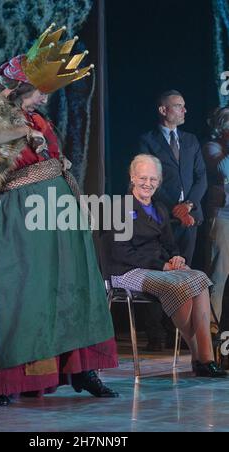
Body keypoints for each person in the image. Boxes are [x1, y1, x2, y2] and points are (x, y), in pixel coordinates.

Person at [0, 24, 118, 406]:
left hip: (57, 210)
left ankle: (82, 369)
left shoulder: (30, 116)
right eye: (38, 92)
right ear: (15, 91)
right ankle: (12, 380)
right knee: (25, 293)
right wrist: (21, 135)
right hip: (22, 213)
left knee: (73, 286)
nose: (44, 100)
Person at [108, 154, 226, 377]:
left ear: (159, 181)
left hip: (159, 268)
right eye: (143, 178)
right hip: (127, 270)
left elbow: (170, 245)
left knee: (199, 278)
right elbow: (121, 252)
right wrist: (162, 266)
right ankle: (199, 356)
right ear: (132, 178)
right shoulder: (119, 207)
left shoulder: (160, 208)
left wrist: (176, 258)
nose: (148, 183)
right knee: (177, 286)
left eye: (153, 179)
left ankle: (206, 357)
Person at [137, 90, 207, 350]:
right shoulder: (147, 140)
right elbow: (146, 178)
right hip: (161, 216)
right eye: (178, 106)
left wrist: (188, 205)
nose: (184, 111)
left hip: (189, 217)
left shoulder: (190, 140)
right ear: (163, 110)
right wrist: (173, 207)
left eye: (184, 106)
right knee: (159, 272)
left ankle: (179, 333)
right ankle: (155, 335)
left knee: (184, 273)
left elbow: (201, 177)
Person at [204, 107, 229, 335]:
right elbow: (224, 170)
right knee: (219, 275)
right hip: (223, 216)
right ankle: (211, 331)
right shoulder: (213, 147)